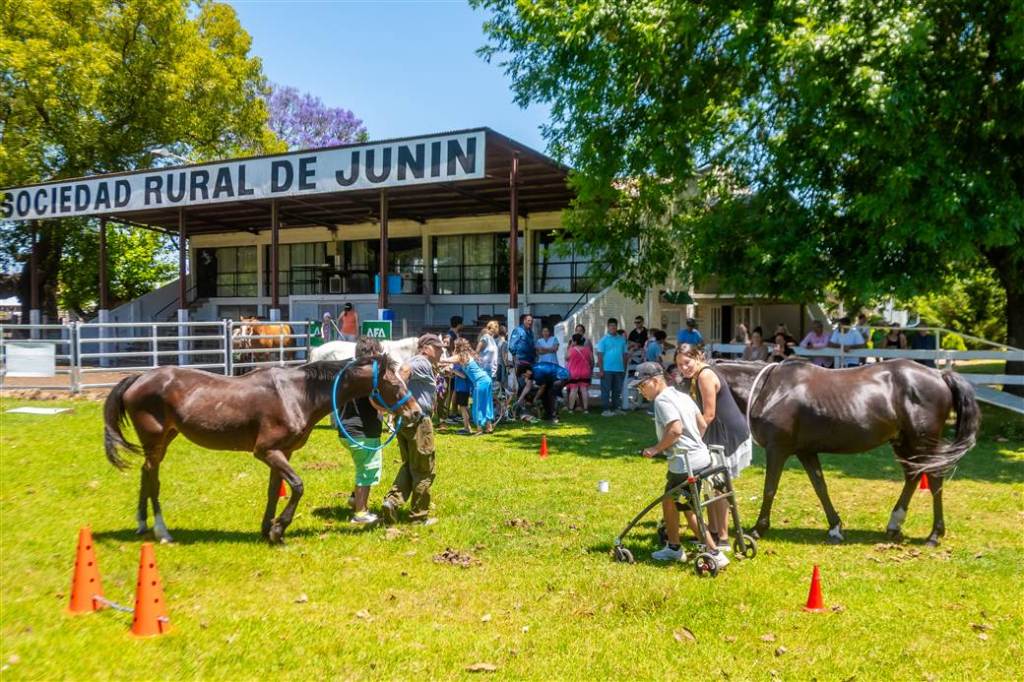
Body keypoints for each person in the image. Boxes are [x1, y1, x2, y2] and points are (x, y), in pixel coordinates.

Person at [634, 363, 727, 567]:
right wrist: (694, 444)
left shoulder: (662, 401)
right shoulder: (683, 396)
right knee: (669, 500)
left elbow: (675, 430)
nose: (641, 391)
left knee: (687, 508)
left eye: (642, 385)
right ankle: (673, 546)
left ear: (656, 381)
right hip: (702, 458)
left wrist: (655, 449)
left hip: (685, 465)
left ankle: (714, 553)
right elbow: (701, 424)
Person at [676, 345, 752, 551]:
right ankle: (713, 531)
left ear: (698, 357)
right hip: (715, 432)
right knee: (710, 484)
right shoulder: (697, 375)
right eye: (679, 365)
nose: (683, 368)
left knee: (718, 487)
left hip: (726, 433)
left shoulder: (705, 376)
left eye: (687, 362)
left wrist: (695, 440)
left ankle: (724, 539)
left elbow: (708, 414)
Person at [381, 334, 443, 526]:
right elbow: (404, 372)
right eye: (438, 348)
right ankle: (418, 516)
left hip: (405, 420)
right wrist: (399, 393)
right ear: (426, 348)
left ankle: (391, 502)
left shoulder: (422, 362)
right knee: (425, 469)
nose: (441, 351)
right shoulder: (421, 361)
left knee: (410, 465)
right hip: (418, 422)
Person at [339, 337, 386, 524]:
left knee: (361, 467)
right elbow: (375, 401)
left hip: (346, 429)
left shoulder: (349, 371)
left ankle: (353, 498)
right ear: (373, 352)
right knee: (367, 470)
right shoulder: (368, 376)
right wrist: (390, 409)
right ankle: (360, 513)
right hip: (363, 431)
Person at [452, 338, 494, 434]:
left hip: (480, 381)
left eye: (455, 346)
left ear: (458, 347)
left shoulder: (463, 356)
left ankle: (479, 429)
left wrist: (439, 360)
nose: (454, 347)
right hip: (486, 379)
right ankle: (489, 427)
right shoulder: (469, 355)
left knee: (478, 405)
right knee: (486, 404)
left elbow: (449, 360)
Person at [595, 318, 628, 416]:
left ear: (616, 327)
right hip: (607, 369)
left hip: (619, 369)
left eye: (614, 325)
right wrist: (601, 370)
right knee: (606, 390)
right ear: (608, 327)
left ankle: (616, 408)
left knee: (617, 390)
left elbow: (625, 355)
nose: (613, 327)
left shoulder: (622, 340)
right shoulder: (603, 340)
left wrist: (624, 369)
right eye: (611, 325)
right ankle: (605, 410)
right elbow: (600, 356)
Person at [448, 344, 476, 435]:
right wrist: (451, 373)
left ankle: (467, 428)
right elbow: (457, 374)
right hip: (459, 388)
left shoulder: (463, 361)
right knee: (463, 407)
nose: (454, 350)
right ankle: (467, 426)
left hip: (464, 388)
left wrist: (454, 371)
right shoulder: (457, 362)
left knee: (463, 408)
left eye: (456, 349)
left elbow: (464, 376)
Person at [565, 333, 594, 413]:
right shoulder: (587, 350)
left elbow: (566, 358)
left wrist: (570, 346)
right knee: (584, 390)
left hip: (573, 373)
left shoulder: (571, 350)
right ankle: (585, 409)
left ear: (574, 341)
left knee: (573, 390)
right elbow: (591, 361)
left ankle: (571, 409)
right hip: (585, 372)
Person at [508, 313, 536, 388]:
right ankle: (520, 398)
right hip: (520, 360)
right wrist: (515, 356)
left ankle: (524, 398)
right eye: (528, 320)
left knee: (529, 381)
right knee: (522, 382)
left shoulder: (530, 332)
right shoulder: (518, 330)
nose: (530, 322)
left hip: (530, 360)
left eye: (531, 321)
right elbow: (511, 346)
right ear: (524, 321)